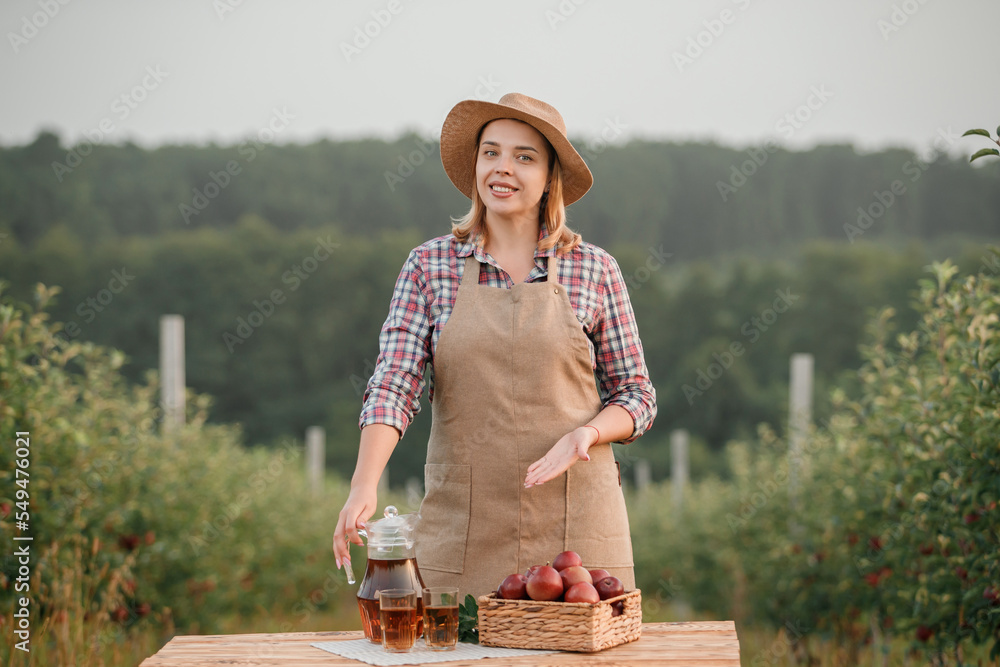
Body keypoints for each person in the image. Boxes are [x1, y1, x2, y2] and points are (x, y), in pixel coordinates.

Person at [333, 92, 656, 599]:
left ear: (550, 176)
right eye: (491, 152)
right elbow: (395, 384)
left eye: (524, 156)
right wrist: (363, 484)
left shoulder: (595, 269)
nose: (502, 168)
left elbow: (636, 395)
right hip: (465, 529)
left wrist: (588, 435)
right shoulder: (428, 266)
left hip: (577, 539)